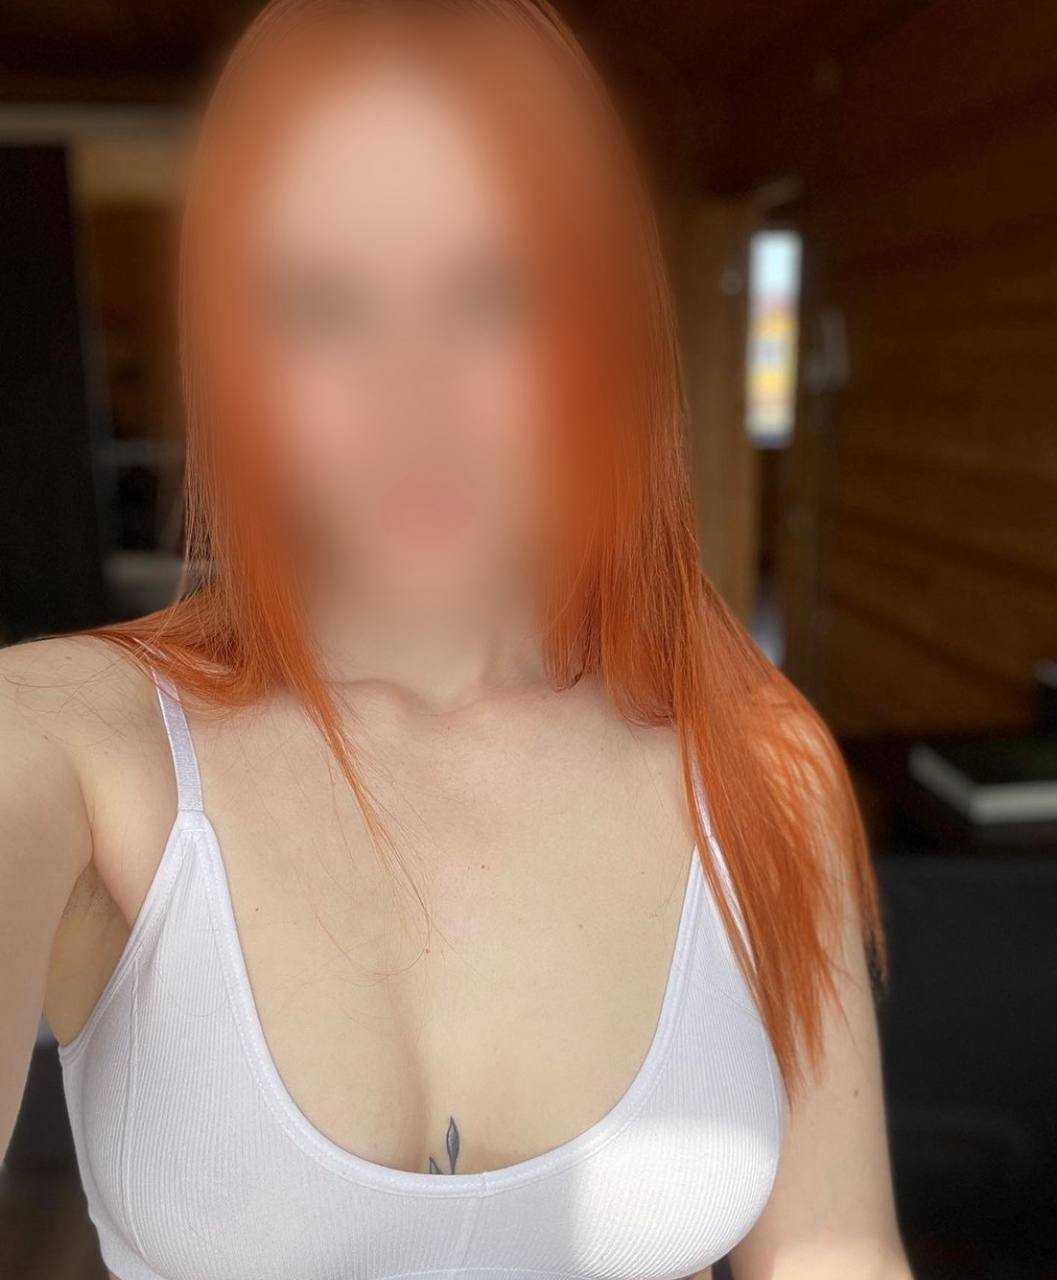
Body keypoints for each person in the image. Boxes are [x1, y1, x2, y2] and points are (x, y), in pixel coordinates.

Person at [0, 2, 911, 1277]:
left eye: (491, 293)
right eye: (321, 305)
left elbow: (836, 1253)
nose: (409, 402)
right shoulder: (68, 746)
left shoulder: (760, 765)